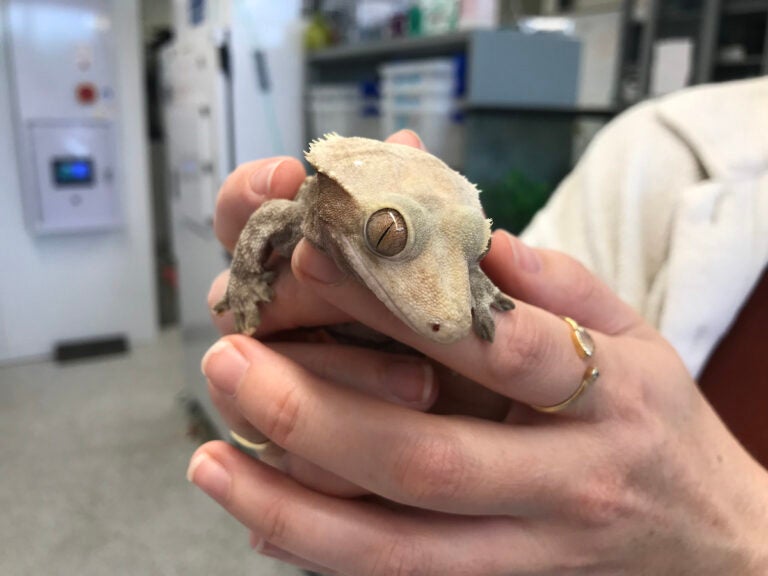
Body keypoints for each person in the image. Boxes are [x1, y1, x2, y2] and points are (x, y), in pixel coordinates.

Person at [186, 78, 768, 575]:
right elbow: (268, 218)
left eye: (471, 251)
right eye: (390, 237)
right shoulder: (653, 145)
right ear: (332, 203)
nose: (448, 313)